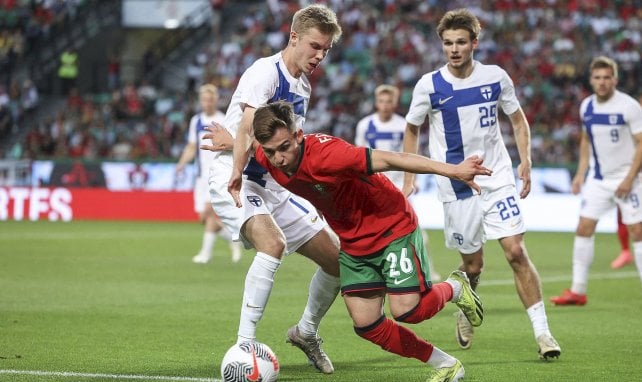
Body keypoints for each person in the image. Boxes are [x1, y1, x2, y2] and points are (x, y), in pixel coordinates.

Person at [230, 101, 489, 382]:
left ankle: (454, 287)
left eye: (284, 147)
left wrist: (453, 170)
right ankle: (447, 364)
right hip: (353, 242)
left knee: (408, 311)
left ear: (299, 135)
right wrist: (228, 143)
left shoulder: (330, 155)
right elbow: (250, 144)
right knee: (367, 324)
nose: (279, 158)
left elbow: (392, 159)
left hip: (391, 228)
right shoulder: (267, 154)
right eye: (271, 151)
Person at [401, 8, 561, 359]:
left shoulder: (496, 77)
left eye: (460, 42)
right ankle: (464, 303)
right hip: (456, 185)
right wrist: (410, 177)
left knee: (516, 252)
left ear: (474, 43)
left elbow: (518, 120)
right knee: (473, 267)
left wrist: (526, 162)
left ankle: (544, 334)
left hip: (497, 178)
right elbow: (412, 128)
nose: (454, 49)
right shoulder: (429, 85)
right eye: (447, 43)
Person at [201, 4, 343, 374]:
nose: (320, 55)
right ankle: (244, 345)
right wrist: (234, 165)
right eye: (315, 46)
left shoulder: (303, 86)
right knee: (273, 244)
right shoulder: (265, 72)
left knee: (337, 260)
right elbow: (250, 125)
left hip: (272, 184)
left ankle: (306, 332)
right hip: (237, 177)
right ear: (294, 37)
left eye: (326, 49)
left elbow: (287, 148)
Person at [551, 56, 642, 305]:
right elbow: (586, 141)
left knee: (638, 232)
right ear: (591, 80)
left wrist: (630, 178)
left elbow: (641, 144)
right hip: (599, 180)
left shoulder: (629, 107)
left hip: (629, 180)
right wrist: (581, 174)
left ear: (615, 79)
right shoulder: (587, 107)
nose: (602, 82)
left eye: (607, 77)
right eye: (597, 78)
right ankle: (578, 291)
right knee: (584, 228)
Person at [355, 84, 441, 282]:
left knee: (416, 229)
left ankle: (427, 270)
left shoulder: (403, 125)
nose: (385, 105)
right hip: (375, 187)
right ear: (377, 103)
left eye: (389, 102)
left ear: (395, 104)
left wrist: (413, 179)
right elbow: (359, 156)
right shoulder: (365, 125)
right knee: (371, 231)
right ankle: (373, 272)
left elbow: (411, 155)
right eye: (382, 101)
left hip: (401, 187)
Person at [176, 84, 243, 264]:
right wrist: (182, 163)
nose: (207, 103)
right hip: (200, 177)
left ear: (216, 100)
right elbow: (192, 146)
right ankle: (234, 240)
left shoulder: (222, 119)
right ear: (200, 101)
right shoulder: (196, 121)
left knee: (210, 213)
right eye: (204, 99)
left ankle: (205, 254)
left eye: (210, 99)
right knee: (203, 218)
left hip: (218, 173)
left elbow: (230, 145)